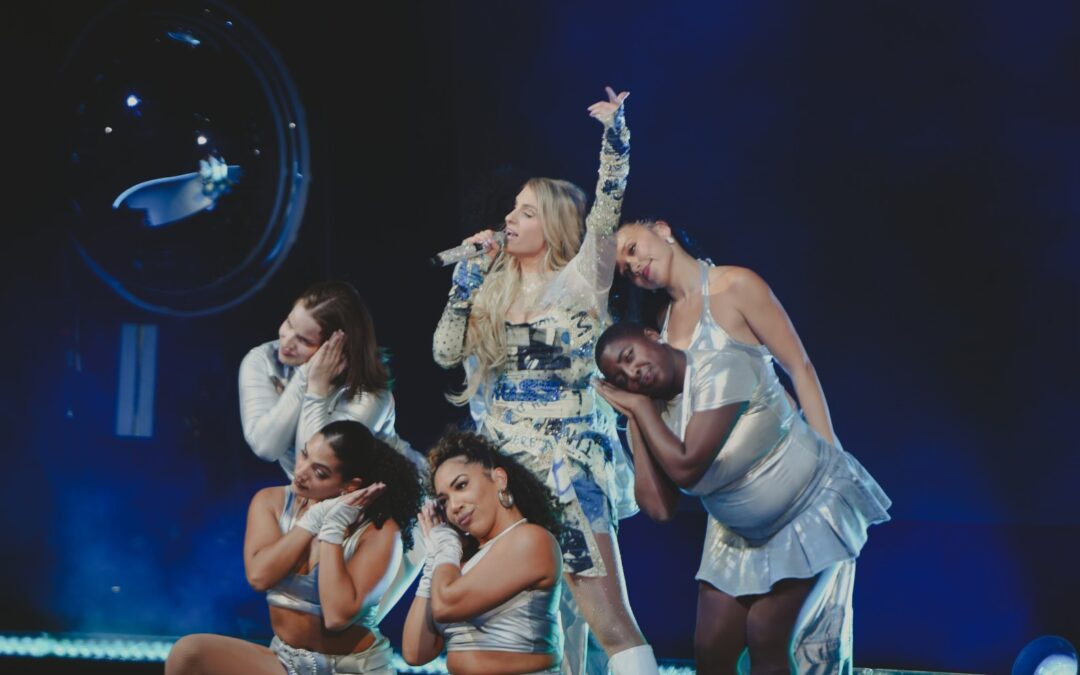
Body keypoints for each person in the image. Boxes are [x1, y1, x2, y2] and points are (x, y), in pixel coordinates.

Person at [432, 87, 658, 674]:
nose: (509, 219)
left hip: (567, 462)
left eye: (526, 210)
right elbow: (443, 353)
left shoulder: (582, 281)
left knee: (603, 615)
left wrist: (616, 136)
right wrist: (464, 283)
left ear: (555, 223)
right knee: (526, 628)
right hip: (502, 471)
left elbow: (608, 205)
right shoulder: (491, 288)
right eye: (511, 209)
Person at [594, 323, 891, 674]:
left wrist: (641, 411)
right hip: (738, 533)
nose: (633, 373)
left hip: (807, 508)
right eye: (621, 378)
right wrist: (636, 422)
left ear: (651, 336)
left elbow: (687, 467)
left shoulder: (721, 366)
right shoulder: (648, 413)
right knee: (711, 647)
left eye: (629, 356)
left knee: (766, 635)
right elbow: (660, 509)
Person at [165, 420, 424, 675]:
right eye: (304, 455)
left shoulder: (381, 530)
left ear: (351, 485)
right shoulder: (271, 502)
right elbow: (259, 576)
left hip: (352, 668)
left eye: (319, 472)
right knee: (188, 653)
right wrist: (312, 521)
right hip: (286, 662)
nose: (301, 472)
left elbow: (336, 616)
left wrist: (333, 527)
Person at [402, 430, 564, 674]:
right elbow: (415, 651)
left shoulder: (530, 540)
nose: (454, 506)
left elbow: (446, 605)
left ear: (498, 478)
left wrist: (445, 545)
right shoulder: (458, 564)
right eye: (444, 501)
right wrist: (435, 557)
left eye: (462, 485)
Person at [239, 280, 426, 478]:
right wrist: (303, 379)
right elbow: (266, 447)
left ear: (338, 349)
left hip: (405, 491)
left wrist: (314, 386)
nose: (287, 341)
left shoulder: (371, 396)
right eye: (289, 323)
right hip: (324, 501)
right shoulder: (263, 359)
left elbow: (316, 464)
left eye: (304, 340)